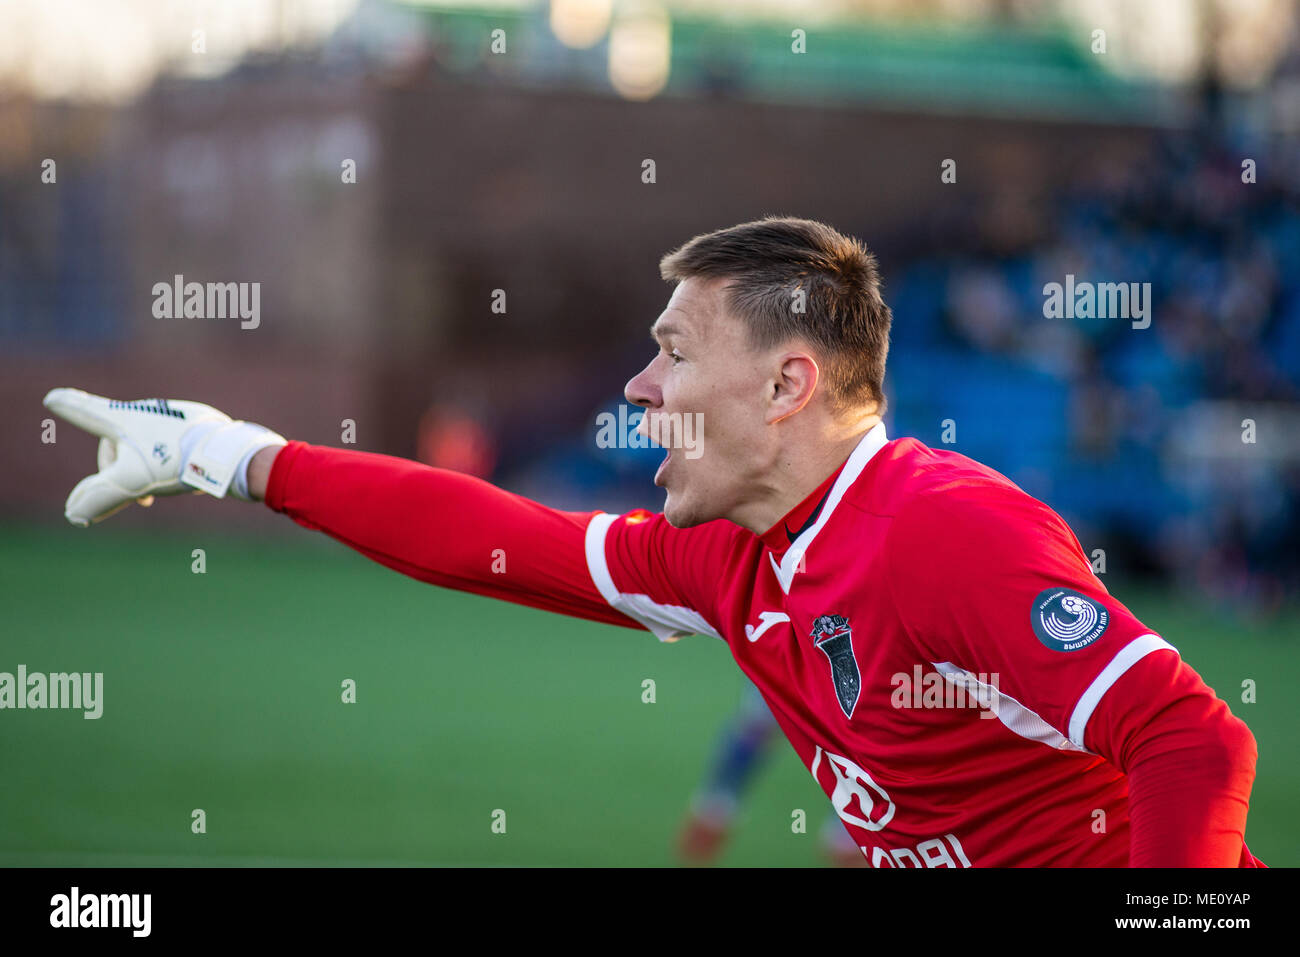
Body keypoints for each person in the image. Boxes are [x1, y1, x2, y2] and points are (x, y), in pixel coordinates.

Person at [44, 216, 1262, 867]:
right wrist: (234, 455)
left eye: (674, 351)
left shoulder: (941, 532)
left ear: (787, 385)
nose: (639, 385)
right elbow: (494, 538)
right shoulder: (727, 553)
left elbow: (1191, 741)